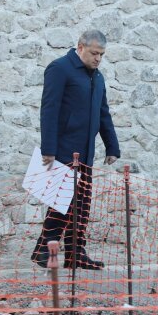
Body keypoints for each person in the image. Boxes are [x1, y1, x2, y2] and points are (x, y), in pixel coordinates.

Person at [31, 30, 120, 270]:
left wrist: (112, 146)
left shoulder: (97, 77)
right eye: (94, 53)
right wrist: (49, 149)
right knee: (61, 203)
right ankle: (42, 251)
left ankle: (75, 254)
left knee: (81, 206)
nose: (98, 58)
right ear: (80, 47)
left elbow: (103, 113)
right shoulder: (59, 69)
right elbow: (49, 109)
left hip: (86, 152)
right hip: (63, 149)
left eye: (101, 54)